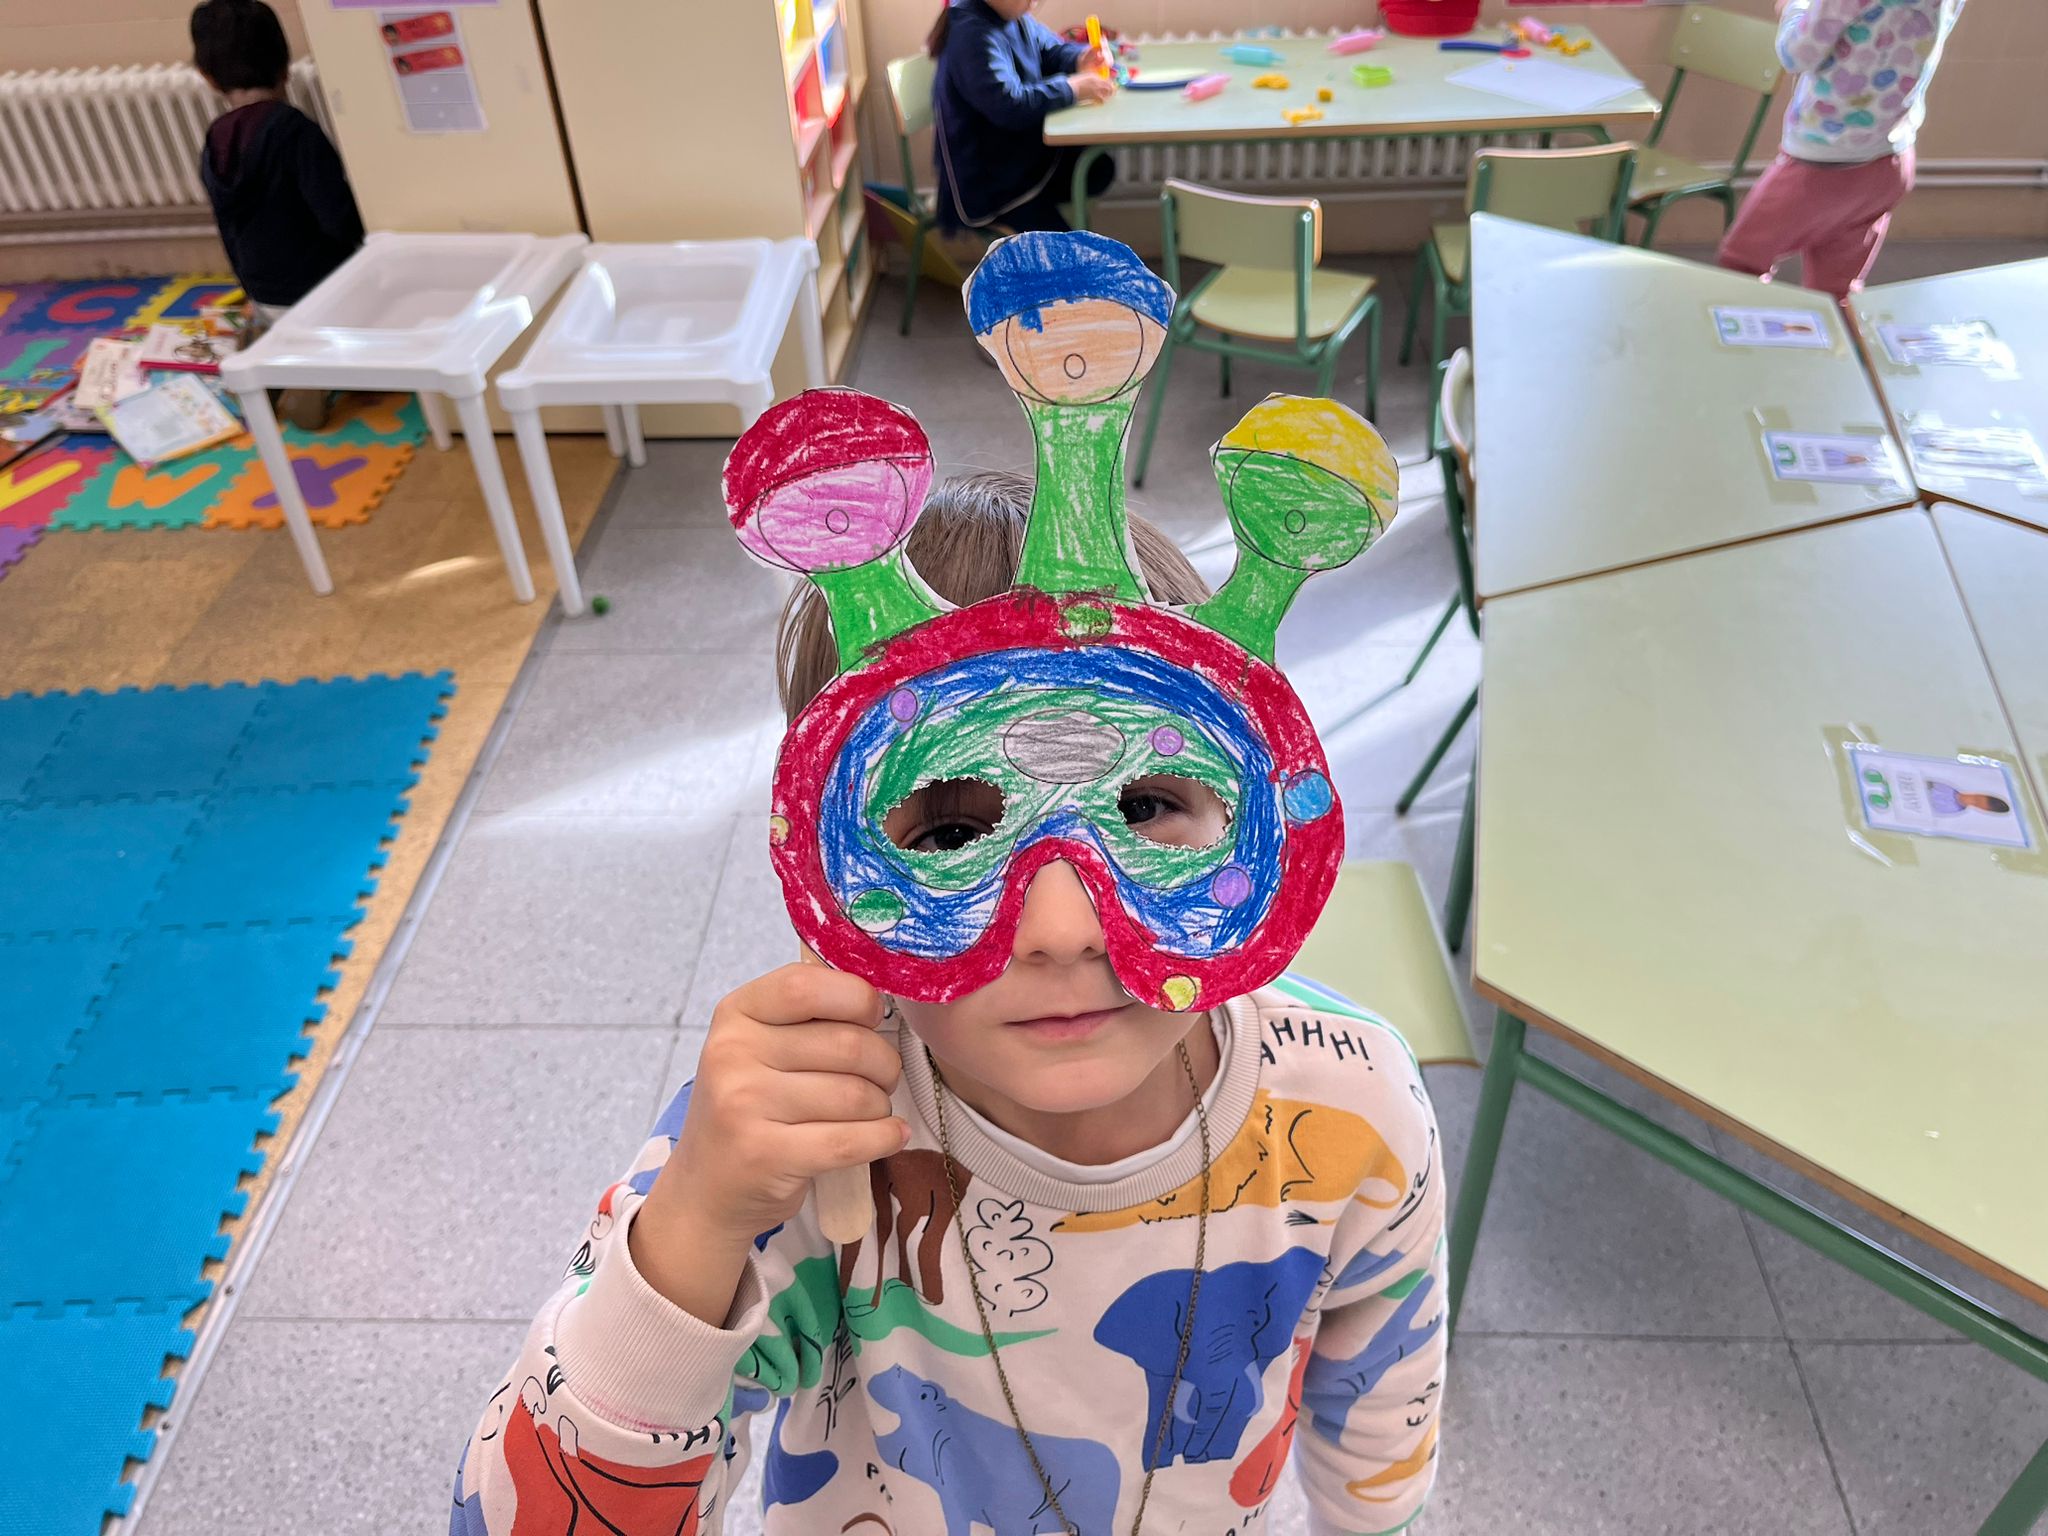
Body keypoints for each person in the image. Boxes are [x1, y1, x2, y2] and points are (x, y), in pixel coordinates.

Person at [449, 474, 1448, 1536]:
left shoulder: (1356, 1103)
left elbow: (1380, 1434)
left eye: (1146, 804)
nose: (1062, 926)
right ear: (837, 881)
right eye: (949, 835)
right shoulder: (790, 1152)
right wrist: (696, 1223)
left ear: (1245, 819)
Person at [1718, 0, 1967, 301]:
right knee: (1836, 289)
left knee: (1740, 265)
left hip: (1821, 162)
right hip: (1891, 159)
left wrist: (1794, 8)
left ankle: (1746, 332)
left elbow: (1797, 53)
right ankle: (1836, 331)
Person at [190, 0, 364, 427]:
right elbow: (337, 219)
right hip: (316, 291)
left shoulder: (216, 138)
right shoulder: (295, 131)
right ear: (285, 67)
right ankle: (310, 376)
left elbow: (228, 225)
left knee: (277, 316)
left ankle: (265, 349)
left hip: (260, 288)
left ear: (208, 77)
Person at [930, 0, 1117, 235]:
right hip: (991, 188)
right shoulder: (971, 34)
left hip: (1021, 160)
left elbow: (1049, 50)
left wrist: (1080, 58)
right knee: (1063, 251)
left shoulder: (1012, 15)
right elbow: (1009, 105)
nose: (1035, 3)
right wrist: (1072, 88)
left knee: (1098, 168)